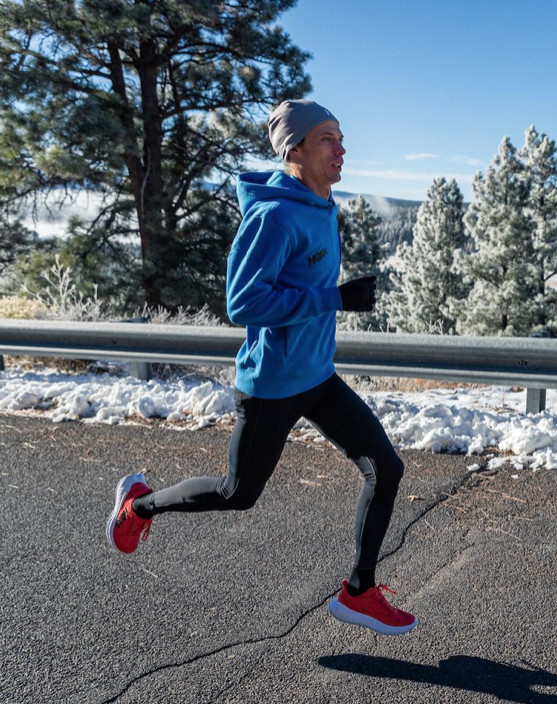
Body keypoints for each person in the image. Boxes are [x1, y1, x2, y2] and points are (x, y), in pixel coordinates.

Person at [106, 99, 416, 636]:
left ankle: (359, 591)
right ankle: (139, 506)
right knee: (237, 493)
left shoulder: (323, 206)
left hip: (317, 376)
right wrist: (334, 299)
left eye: (341, 138)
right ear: (294, 149)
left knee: (386, 468)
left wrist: (332, 301)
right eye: (327, 139)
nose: (341, 149)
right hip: (272, 385)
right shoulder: (273, 217)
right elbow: (244, 303)